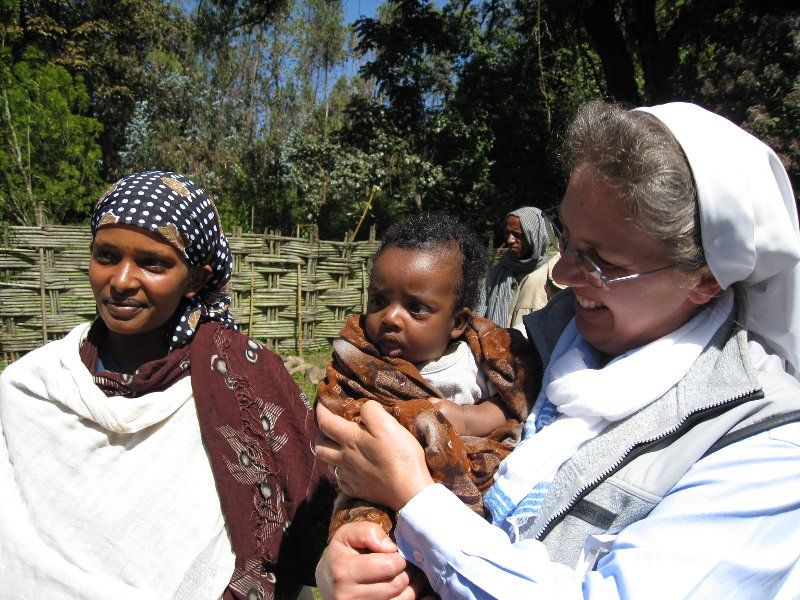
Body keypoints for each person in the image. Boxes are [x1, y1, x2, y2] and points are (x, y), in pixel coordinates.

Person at [313, 102, 800, 599]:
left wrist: (416, 499)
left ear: (704, 280)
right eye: (566, 240)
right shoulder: (534, 358)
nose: (562, 274)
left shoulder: (762, 450)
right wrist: (350, 562)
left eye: (602, 262)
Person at [0, 171, 334, 599]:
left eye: (152, 263)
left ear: (195, 279)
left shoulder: (243, 377)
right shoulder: (34, 386)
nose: (122, 280)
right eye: (105, 256)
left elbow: (312, 510)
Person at [316, 212, 537, 537]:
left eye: (416, 308)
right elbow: (339, 406)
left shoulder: (472, 363)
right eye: (378, 300)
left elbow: (509, 409)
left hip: (456, 496)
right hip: (374, 488)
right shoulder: (361, 361)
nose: (390, 317)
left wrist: (466, 419)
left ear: (457, 323)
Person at [476, 206, 563, 327]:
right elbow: (480, 314)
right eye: (507, 233)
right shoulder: (497, 274)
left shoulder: (554, 275)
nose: (510, 240)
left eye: (517, 235)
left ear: (534, 236)